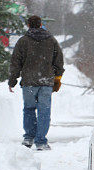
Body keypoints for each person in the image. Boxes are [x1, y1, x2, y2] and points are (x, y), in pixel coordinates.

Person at [8, 16, 64, 150]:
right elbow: (59, 61)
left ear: (28, 25)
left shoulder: (23, 41)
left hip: (29, 82)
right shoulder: (51, 41)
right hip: (46, 82)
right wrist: (57, 78)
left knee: (29, 109)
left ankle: (28, 138)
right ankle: (41, 142)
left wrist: (12, 81)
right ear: (41, 25)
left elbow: (16, 63)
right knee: (44, 111)